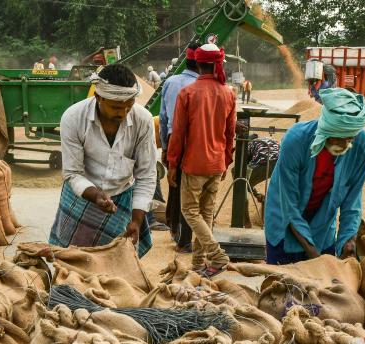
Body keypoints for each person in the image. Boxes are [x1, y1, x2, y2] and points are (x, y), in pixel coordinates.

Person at [49, 64, 156, 257]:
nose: (122, 113)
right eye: (116, 106)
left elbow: (146, 174)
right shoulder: (73, 118)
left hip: (122, 196)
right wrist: (96, 195)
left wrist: (136, 220)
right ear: (98, 97)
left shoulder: (143, 120)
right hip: (81, 195)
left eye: (128, 106)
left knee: (117, 264)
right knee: (72, 261)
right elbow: (73, 173)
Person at [264, 88, 365, 265]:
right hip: (284, 220)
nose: (345, 145)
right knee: (283, 286)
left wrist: (348, 241)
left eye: (350, 138)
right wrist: (316, 260)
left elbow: (353, 199)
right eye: (339, 137)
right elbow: (289, 206)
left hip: (322, 225)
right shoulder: (296, 140)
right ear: (327, 128)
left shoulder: (360, 144)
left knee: (324, 289)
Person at [167, 43, 236, 276]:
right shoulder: (229, 93)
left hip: (194, 164)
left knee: (189, 212)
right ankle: (198, 266)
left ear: (197, 63)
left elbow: (178, 134)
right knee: (205, 215)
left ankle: (217, 254)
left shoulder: (187, 93)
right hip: (216, 163)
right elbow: (230, 133)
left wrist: (172, 164)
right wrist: (226, 160)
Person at [160, 42, 200, 253]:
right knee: (192, 191)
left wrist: (166, 147)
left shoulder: (170, 82)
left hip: (173, 139)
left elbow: (165, 118)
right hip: (195, 144)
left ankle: (175, 228)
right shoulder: (202, 86)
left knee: (175, 187)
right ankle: (188, 235)